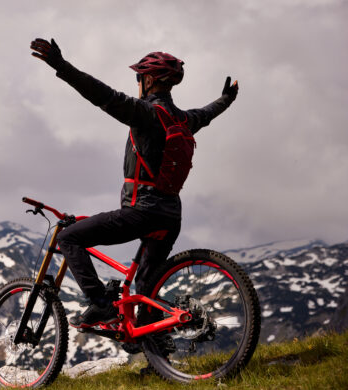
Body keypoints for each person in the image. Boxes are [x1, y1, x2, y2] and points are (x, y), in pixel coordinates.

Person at [30, 38, 239, 328]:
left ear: (149, 80)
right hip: (170, 216)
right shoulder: (182, 119)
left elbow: (100, 94)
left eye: (138, 78)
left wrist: (61, 66)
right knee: (146, 286)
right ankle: (156, 350)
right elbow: (208, 114)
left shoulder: (146, 114)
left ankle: (102, 304)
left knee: (69, 238)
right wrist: (227, 99)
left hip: (143, 212)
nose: (136, 84)